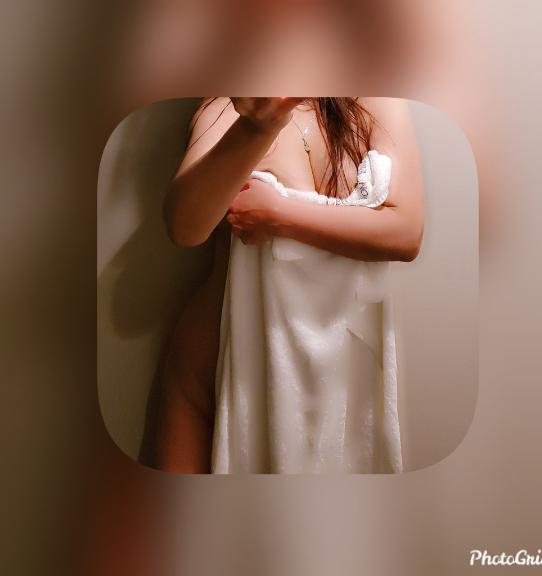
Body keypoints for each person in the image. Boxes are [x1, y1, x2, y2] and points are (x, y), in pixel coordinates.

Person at [139, 97, 424, 473]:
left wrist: (279, 215)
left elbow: (406, 234)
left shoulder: (374, 102)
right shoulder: (227, 110)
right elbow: (185, 227)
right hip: (221, 376)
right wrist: (258, 127)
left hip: (342, 391)